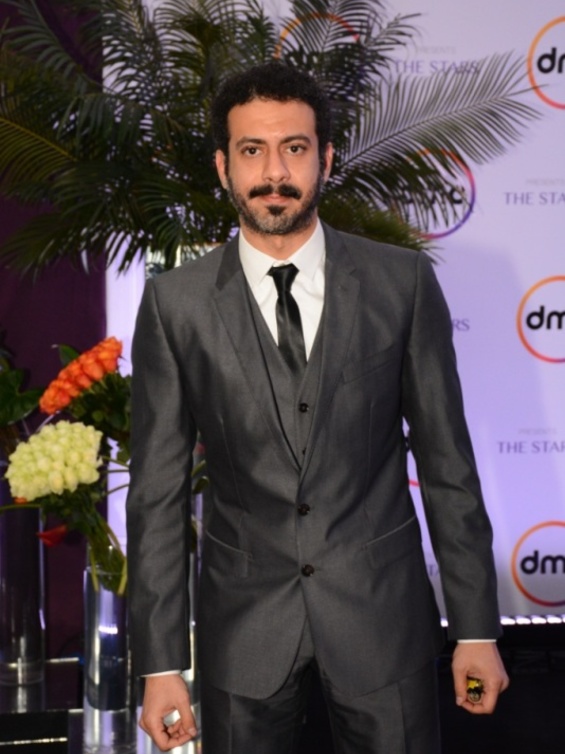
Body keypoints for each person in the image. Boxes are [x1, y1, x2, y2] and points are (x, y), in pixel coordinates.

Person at [126, 62, 509, 754]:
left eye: (294, 148)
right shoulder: (174, 305)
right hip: (243, 631)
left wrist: (475, 629)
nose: (274, 172)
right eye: (252, 150)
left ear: (325, 160)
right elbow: (157, 494)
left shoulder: (401, 284)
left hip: (381, 620)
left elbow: (447, 466)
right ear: (223, 166)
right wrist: (159, 665)